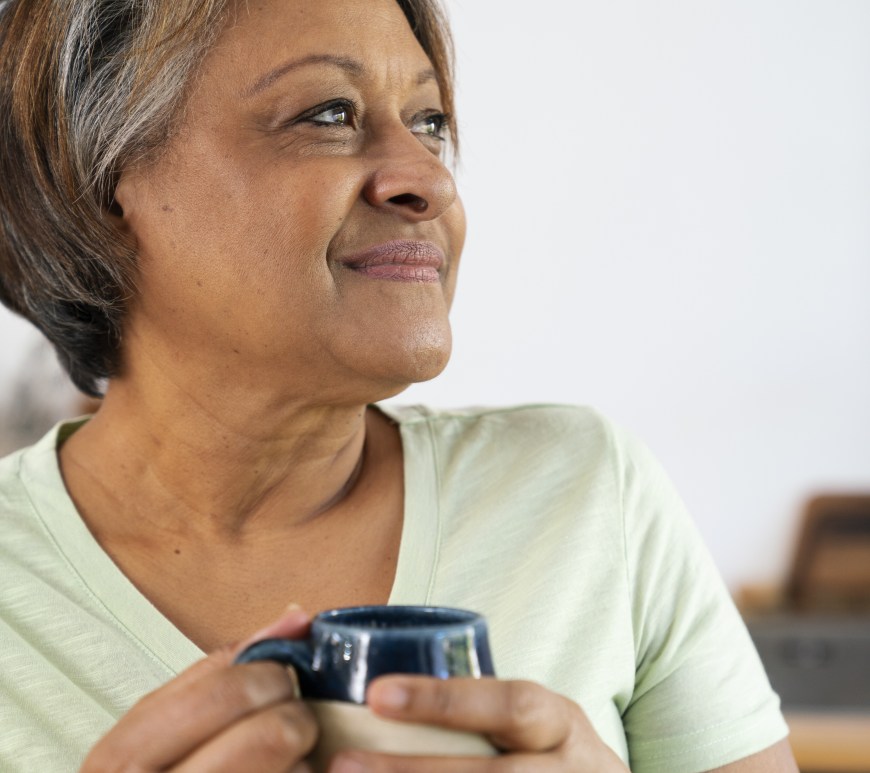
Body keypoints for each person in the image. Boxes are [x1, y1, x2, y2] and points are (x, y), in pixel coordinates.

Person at [0, 0, 798, 770]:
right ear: (98, 181)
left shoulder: (590, 496)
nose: (429, 181)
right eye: (327, 114)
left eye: (429, 122)